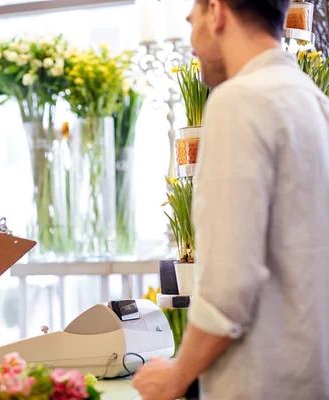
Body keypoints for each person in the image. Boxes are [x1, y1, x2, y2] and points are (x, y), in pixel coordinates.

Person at [134, 0, 329, 399]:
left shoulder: (237, 101)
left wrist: (175, 378)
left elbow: (228, 288)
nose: (190, 40)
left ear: (217, 12)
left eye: (192, 22)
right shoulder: (316, 103)